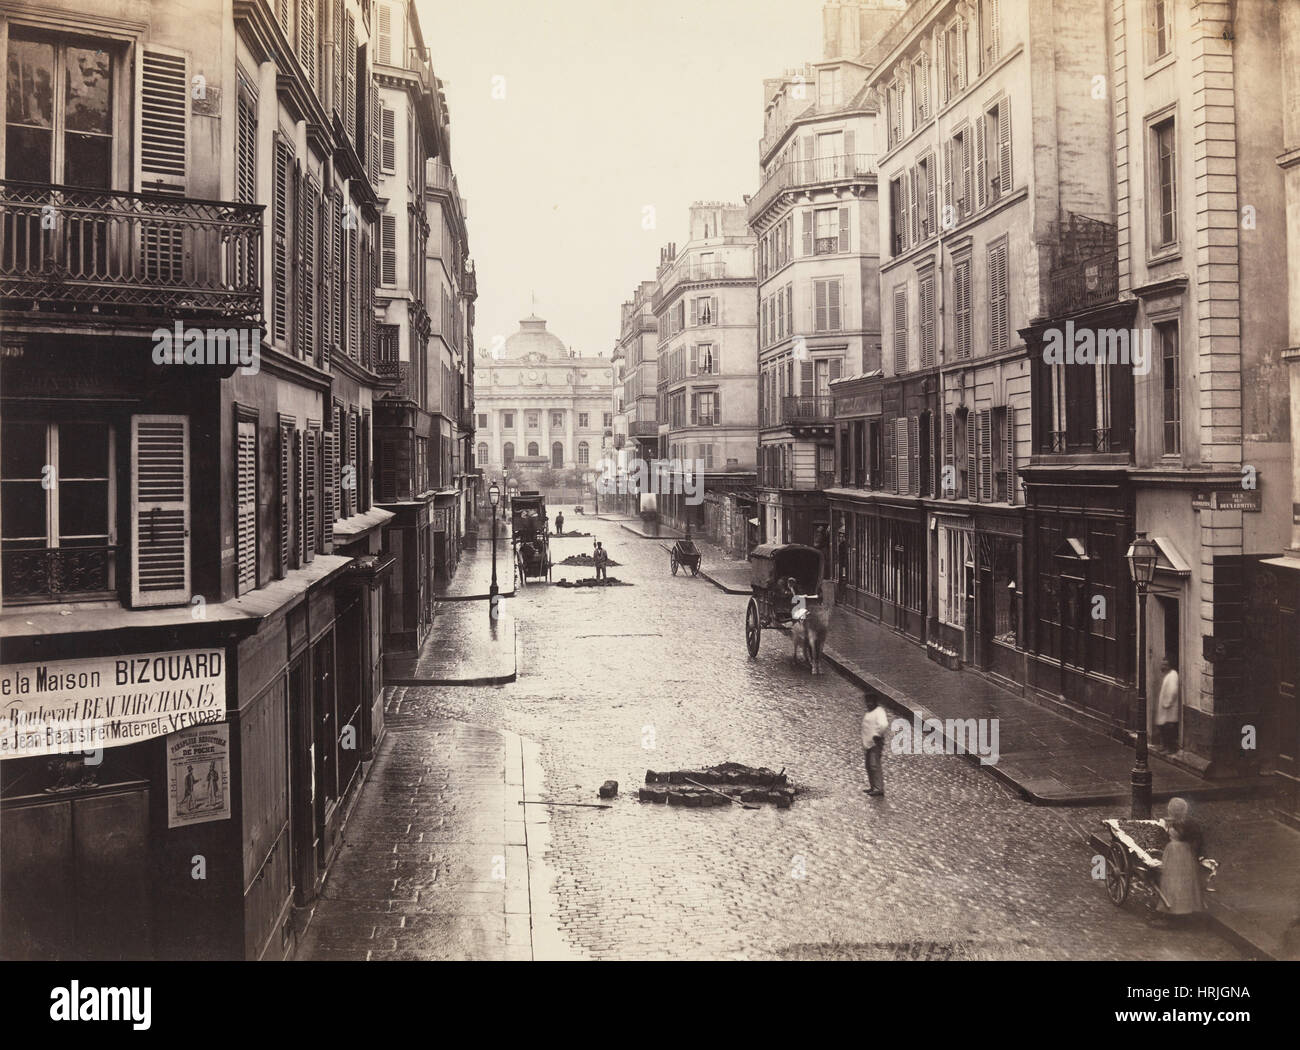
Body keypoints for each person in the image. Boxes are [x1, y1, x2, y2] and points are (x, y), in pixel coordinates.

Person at [1157, 797, 1206, 919]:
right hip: (1186, 852)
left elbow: (1163, 838)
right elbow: (1198, 840)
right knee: (1185, 879)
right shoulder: (1190, 824)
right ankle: (1187, 908)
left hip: (1173, 851)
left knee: (1172, 879)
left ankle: (1173, 907)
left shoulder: (1168, 823)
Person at [861, 692, 890, 796]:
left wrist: (877, 734)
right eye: (867, 702)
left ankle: (878, 788)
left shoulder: (879, 711)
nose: (868, 704)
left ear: (875, 702)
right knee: (868, 765)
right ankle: (873, 786)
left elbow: (883, 724)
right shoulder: (869, 712)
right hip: (868, 743)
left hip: (875, 742)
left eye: (870, 702)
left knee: (874, 764)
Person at [1155, 656, 1180, 753]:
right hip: (1165, 708)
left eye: (1165, 664)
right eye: (1162, 664)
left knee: (1168, 729)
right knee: (1163, 728)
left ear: (1170, 665)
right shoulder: (1168, 675)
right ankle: (1165, 746)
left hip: (1169, 708)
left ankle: (1170, 748)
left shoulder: (1173, 675)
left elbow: (1173, 691)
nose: (1163, 666)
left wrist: (1167, 703)